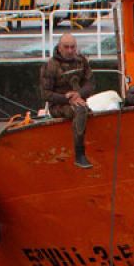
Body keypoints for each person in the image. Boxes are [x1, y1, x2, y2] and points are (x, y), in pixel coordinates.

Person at [40, 33, 94, 168]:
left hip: (79, 100)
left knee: (85, 109)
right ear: (59, 47)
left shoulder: (81, 61)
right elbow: (45, 94)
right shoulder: (50, 66)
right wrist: (67, 98)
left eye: (73, 47)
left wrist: (78, 94)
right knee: (80, 110)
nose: (70, 50)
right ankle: (79, 154)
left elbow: (90, 83)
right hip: (58, 105)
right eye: (66, 47)